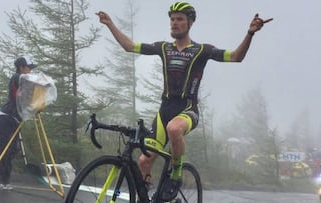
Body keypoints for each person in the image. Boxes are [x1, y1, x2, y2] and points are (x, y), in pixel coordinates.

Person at [96, 2, 273, 200]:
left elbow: (235, 56)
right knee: (144, 161)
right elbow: (129, 47)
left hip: (188, 109)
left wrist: (250, 33)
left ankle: (176, 174)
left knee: (174, 129)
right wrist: (110, 24)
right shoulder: (163, 48)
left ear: (190, 23)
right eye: (172, 19)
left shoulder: (202, 50)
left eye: (179, 19)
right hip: (164, 111)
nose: (174, 23)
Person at [0, 55, 37, 190]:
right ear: (21, 67)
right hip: (7, 117)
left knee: (11, 150)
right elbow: (27, 79)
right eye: (29, 67)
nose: (30, 71)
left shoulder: (25, 81)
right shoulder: (17, 77)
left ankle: (5, 180)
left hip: (16, 118)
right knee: (3, 148)